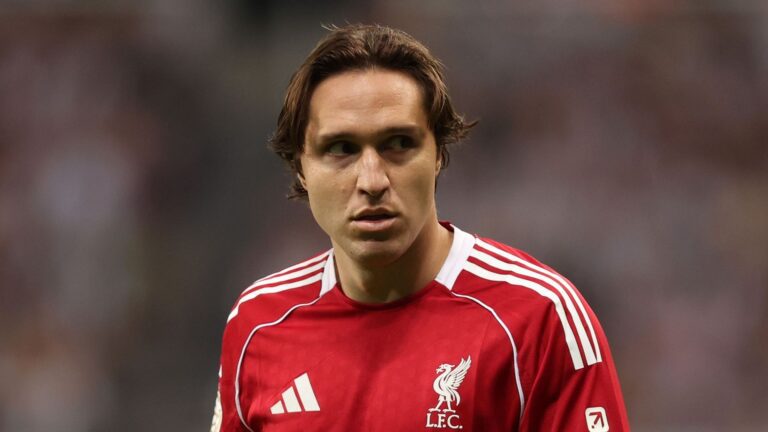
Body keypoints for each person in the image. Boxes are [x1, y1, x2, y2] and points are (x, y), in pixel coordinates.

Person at [211, 24, 629, 432]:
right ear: (301, 167)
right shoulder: (258, 323)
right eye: (341, 148)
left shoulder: (539, 319)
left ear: (439, 154)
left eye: (398, 144)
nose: (372, 180)